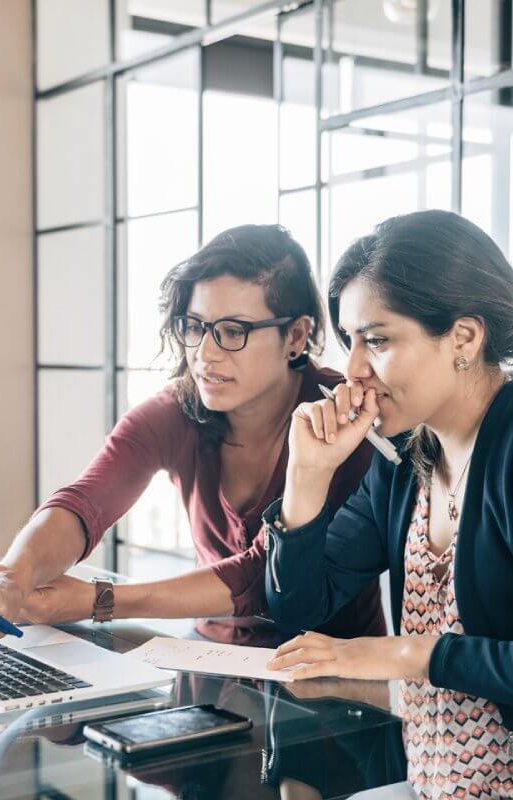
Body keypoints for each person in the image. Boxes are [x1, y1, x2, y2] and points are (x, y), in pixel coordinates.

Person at [0, 224, 384, 650]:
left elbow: (260, 578)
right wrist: (12, 577)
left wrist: (98, 600)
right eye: (194, 326)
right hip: (209, 660)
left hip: (331, 685)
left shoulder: (343, 421)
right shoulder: (180, 409)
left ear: (295, 336)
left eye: (233, 331)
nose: (204, 353)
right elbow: (85, 502)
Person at [263, 209, 513, 797]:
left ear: (464, 337)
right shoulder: (406, 459)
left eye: (377, 340)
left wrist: (406, 653)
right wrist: (306, 476)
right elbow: (298, 606)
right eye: (350, 340)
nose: (352, 371)